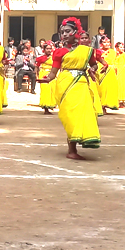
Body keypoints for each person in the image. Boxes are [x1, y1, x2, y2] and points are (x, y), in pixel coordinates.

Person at [38, 18, 101, 160]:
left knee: (82, 114)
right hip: (66, 85)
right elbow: (54, 73)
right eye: (62, 32)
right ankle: (71, 150)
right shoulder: (59, 52)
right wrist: (47, 78)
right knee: (70, 116)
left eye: (68, 31)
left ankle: (77, 145)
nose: (64, 35)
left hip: (82, 85)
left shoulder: (86, 51)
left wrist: (92, 69)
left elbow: (94, 64)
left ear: (76, 32)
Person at [35, 43, 57, 114]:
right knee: (45, 91)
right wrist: (36, 75)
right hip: (43, 73)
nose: (49, 50)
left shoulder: (54, 57)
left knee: (52, 90)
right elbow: (36, 66)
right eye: (47, 49)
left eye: (50, 48)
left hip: (52, 75)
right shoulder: (41, 58)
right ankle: (45, 108)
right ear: (44, 50)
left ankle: (50, 106)